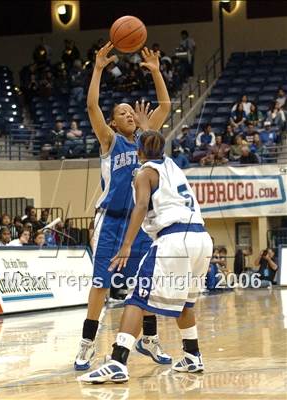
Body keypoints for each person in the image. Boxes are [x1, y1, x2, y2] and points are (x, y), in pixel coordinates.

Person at [79, 130, 213, 383]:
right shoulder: (172, 164)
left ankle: (118, 361)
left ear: (138, 152)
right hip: (202, 239)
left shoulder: (144, 173)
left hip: (174, 240)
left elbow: (140, 206)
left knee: (136, 299)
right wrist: (145, 129)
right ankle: (192, 355)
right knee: (186, 302)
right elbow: (153, 140)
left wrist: (126, 244)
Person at [74, 42, 171, 371]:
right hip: (110, 221)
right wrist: (98, 68)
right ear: (114, 123)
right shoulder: (110, 140)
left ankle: (150, 338)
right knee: (100, 284)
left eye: (132, 111)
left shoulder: (146, 139)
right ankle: (87, 343)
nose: (130, 114)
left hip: (139, 224)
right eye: (123, 113)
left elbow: (165, 107)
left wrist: (156, 72)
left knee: (146, 281)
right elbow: (91, 108)